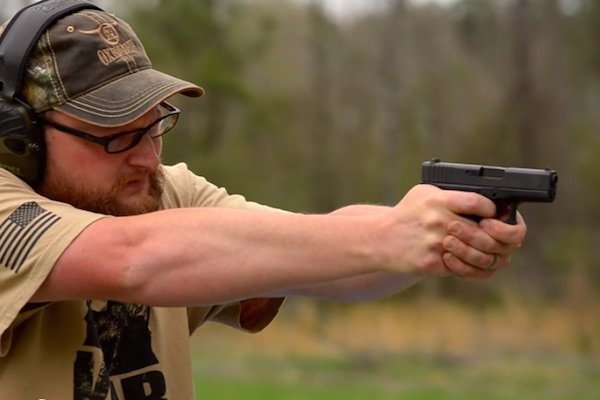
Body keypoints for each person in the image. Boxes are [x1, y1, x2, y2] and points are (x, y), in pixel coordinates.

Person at [0, 3, 526, 399]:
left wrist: (435, 234)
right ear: (20, 136)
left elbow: (316, 252)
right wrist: (390, 236)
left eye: (154, 126)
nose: (147, 157)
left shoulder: (153, 191)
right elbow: (131, 259)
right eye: (115, 135)